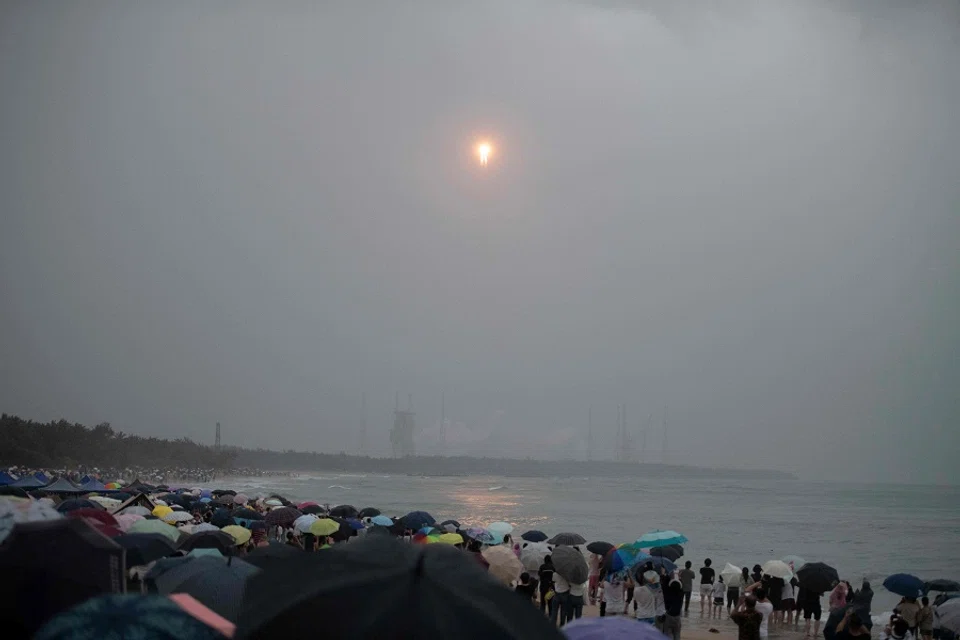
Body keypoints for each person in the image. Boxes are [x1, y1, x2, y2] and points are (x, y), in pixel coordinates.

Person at [662, 570, 684, 640]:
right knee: (677, 634)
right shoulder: (681, 594)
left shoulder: (667, 594)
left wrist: (666, 575)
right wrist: (680, 577)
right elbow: (682, 587)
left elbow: (664, 586)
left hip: (668, 615)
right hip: (677, 616)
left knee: (668, 634)